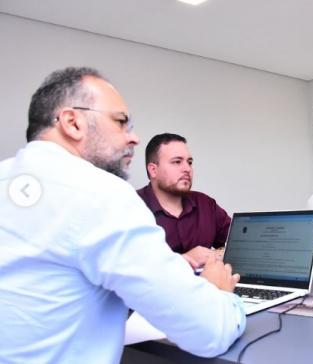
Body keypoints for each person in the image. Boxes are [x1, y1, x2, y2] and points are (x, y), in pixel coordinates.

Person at [0, 67, 245, 363]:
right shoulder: (100, 193)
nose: (134, 138)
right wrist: (218, 293)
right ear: (72, 122)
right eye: (120, 123)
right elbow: (211, 332)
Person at [138, 133, 230, 269]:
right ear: (153, 170)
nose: (187, 169)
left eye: (190, 162)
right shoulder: (131, 206)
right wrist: (183, 260)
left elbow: (239, 244)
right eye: (177, 162)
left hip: (206, 288)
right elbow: (124, 269)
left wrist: (217, 253)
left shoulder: (206, 204)